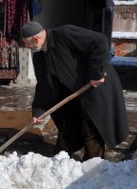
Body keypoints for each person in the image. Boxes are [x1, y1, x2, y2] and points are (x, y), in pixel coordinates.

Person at [20, 21, 129, 161]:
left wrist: (96, 72)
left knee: (91, 127)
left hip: (95, 85)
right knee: (67, 122)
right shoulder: (40, 55)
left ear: (36, 39)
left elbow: (100, 41)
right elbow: (43, 84)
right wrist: (38, 110)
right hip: (73, 91)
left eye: (26, 43)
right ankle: (61, 158)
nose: (26, 47)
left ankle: (91, 162)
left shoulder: (64, 34)